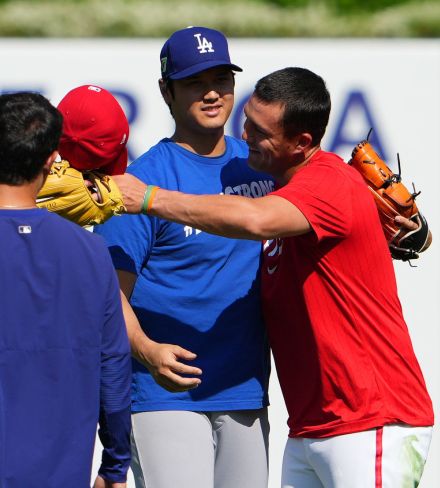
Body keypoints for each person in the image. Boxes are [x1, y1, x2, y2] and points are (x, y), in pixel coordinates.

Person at [114, 67, 434, 487]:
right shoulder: (278, 185)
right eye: (247, 120)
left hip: (372, 418)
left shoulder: (326, 182)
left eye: (260, 131)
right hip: (312, 427)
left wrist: (150, 198)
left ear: (302, 143)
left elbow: (254, 220)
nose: (244, 135)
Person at [95, 26, 273, 488]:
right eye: (195, 82)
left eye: (221, 78)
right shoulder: (141, 182)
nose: (212, 93)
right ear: (165, 90)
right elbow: (110, 295)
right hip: (165, 393)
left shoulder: (256, 166)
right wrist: (149, 351)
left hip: (244, 388)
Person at [0, 91, 132, 488]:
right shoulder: (91, 250)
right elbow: (113, 368)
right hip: (62, 472)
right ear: (51, 159)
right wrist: (115, 465)